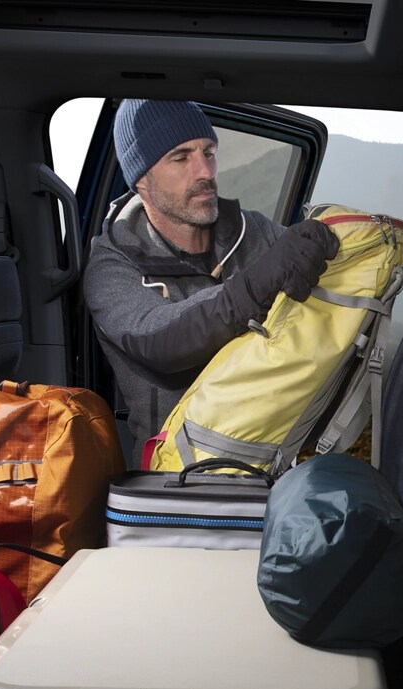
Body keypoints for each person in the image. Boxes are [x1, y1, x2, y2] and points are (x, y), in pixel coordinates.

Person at [84, 99, 339, 460]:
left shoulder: (257, 232)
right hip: (177, 471)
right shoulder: (113, 263)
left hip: (275, 454)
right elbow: (160, 340)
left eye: (209, 152)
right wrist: (253, 286)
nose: (205, 171)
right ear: (141, 178)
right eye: (181, 157)